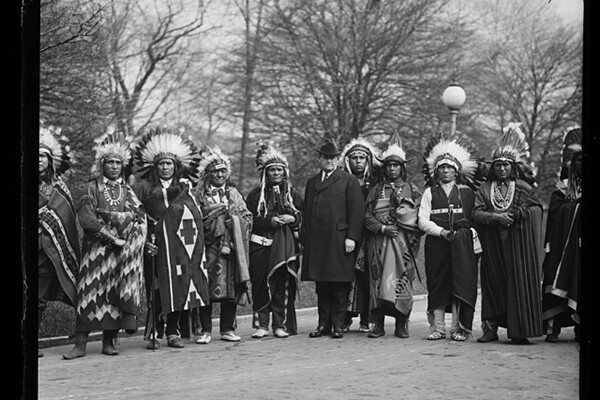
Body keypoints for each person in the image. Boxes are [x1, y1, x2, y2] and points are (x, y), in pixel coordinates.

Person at [63, 132, 147, 359]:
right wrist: (113, 235)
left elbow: (139, 218)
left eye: (118, 162)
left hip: (120, 255)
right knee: (88, 294)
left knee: (113, 296)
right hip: (95, 253)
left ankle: (108, 342)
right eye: (109, 162)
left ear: (123, 166)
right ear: (102, 165)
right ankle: (80, 344)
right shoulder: (91, 188)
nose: (114, 166)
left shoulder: (128, 191)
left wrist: (126, 234)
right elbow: (88, 219)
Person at [132, 127, 208, 349]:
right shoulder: (142, 188)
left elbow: (194, 216)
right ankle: (155, 331)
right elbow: (136, 216)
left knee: (178, 285)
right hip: (154, 246)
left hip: (178, 248)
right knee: (155, 289)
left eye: (169, 164)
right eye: (162, 164)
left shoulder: (185, 188)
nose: (165, 168)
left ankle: (173, 333)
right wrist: (145, 242)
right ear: (154, 167)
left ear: (177, 166)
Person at [472, 123, 544, 344]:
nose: (502, 169)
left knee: (516, 285)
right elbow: (475, 213)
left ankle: (518, 330)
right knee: (493, 286)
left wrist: (521, 213)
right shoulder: (484, 189)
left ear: (513, 167)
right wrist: (496, 217)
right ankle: (490, 329)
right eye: (498, 165)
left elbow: (536, 209)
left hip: (517, 246)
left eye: (506, 165)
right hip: (493, 244)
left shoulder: (523, 187)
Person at [418, 131, 480, 342]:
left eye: (449, 168)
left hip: (461, 245)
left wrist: (465, 235)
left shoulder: (467, 193)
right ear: (436, 171)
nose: (445, 170)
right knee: (437, 285)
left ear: (456, 171)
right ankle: (438, 328)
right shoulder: (429, 192)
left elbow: (474, 219)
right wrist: (441, 231)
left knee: (458, 284)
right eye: (442, 167)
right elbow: (422, 221)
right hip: (437, 244)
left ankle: (457, 328)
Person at [301, 140, 365, 339]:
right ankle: (323, 324)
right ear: (319, 159)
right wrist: (305, 238)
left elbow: (356, 212)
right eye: (325, 157)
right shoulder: (312, 182)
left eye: (333, 158)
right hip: (318, 241)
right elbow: (307, 213)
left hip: (339, 240)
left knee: (339, 285)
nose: (329, 161)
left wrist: (352, 237)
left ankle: (338, 325)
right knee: (322, 285)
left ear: (339, 160)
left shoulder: (348, 180)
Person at [364, 132, 422, 339]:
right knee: (377, 282)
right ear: (384, 168)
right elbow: (366, 216)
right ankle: (378, 324)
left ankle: (401, 323)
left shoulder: (413, 190)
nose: (392, 169)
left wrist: (406, 225)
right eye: (388, 165)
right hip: (378, 243)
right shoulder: (375, 190)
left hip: (403, 246)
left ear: (402, 168)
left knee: (402, 281)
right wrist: (382, 228)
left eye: (396, 165)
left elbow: (420, 218)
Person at [193, 145, 252, 343]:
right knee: (205, 289)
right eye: (215, 171)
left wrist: (235, 222)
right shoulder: (198, 194)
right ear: (208, 173)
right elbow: (193, 218)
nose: (219, 175)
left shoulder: (233, 193)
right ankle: (205, 330)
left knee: (231, 289)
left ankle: (227, 329)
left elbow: (247, 217)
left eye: (223, 171)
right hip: (207, 248)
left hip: (231, 250)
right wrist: (213, 219)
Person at [245, 141, 304, 338]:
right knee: (261, 284)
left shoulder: (293, 195)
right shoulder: (254, 196)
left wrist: (293, 218)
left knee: (282, 285)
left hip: (286, 248)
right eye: (273, 170)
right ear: (265, 173)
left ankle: (281, 325)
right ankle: (261, 324)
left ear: (285, 172)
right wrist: (270, 221)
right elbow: (248, 220)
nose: (277, 173)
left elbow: (305, 216)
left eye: (280, 169)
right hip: (261, 247)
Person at [38, 124, 80, 357]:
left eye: (43, 156)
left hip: (46, 251)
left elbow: (66, 218)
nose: (39, 161)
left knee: (39, 298)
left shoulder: (59, 186)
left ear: (50, 160)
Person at [541, 126, 582, 343]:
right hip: (559, 248)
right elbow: (555, 217)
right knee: (555, 282)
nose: (580, 164)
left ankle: (578, 328)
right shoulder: (562, 190)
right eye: (577, 160)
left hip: (579, 248)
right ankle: (553, 326)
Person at [339, 136, 381, 333]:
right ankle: (344, 317)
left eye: (362, 158)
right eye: (354, 157)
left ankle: (367, 317)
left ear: (368, 160)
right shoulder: (339, 181)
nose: (358, 161)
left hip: (369, 235)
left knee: (367, 276)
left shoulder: (375, 183)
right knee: (346, 276)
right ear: (348, 160)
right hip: (346, 235)